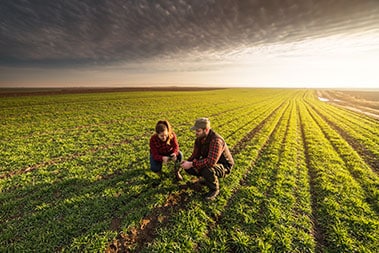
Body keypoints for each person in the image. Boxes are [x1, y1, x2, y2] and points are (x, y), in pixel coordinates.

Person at [181, 117, 234, 201]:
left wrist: (192, 164)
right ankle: (207, 179)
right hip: (210, 161)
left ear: (206, 130)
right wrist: (186, 162)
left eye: (198, 131)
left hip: (224, 165)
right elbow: (195, 155)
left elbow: (210, 162)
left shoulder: (216, 141)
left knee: (206, 169)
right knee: (190, 168)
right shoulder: (199, 139)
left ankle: (214, 189)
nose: (196, 133)